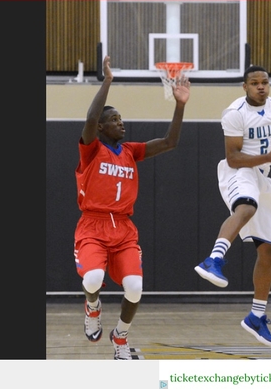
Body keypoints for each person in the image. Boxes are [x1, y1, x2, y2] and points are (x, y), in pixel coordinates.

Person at [74, 55, 190, 360]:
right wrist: (108, 80)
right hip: (93, 225)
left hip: (123, 229)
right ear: (101, 127)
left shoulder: (129, 151)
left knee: (135, 287)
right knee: (92, 279)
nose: (120, 122)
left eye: (121, 118)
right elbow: (89, 119)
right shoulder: (91, 150)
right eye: (114, 119)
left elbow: (169, 142)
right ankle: (93, 307)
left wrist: (180, 105)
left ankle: (120, 337)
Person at [194, 65, 271, 347]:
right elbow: (233, 158)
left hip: (263, 174)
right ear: (245, 87)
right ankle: (213, 259)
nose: (261, 86)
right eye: (254, 83)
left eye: (265, 82)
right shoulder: (235, 113)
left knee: (269, 252)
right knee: (246, 208)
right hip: (239, 171)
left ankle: (256, 316)